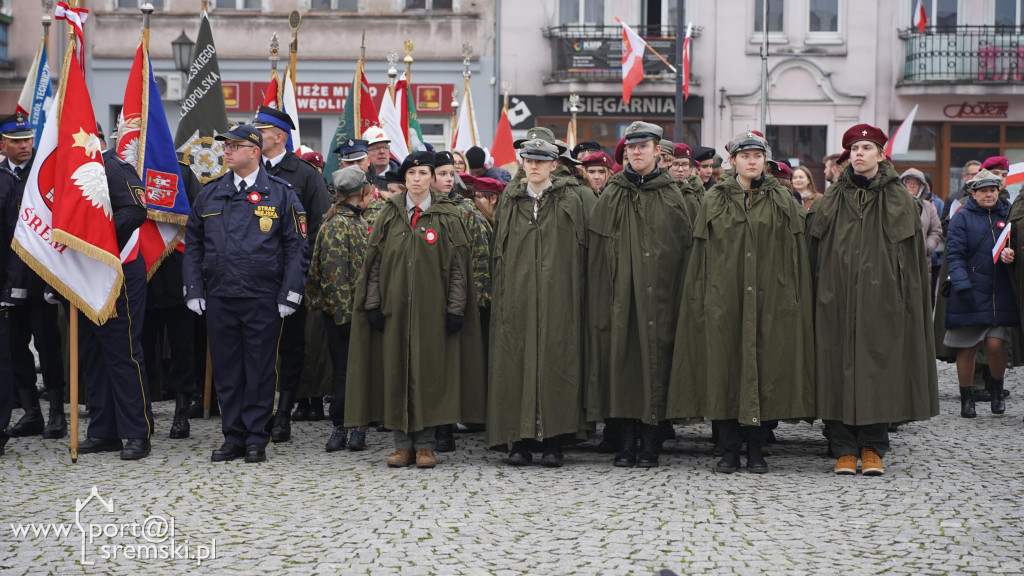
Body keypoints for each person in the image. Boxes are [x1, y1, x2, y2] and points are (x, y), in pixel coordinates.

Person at [668, 131, 814, 474]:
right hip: (724, 298)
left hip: (769, 298)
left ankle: (756, 447)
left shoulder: (781, 198)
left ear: (765, 160)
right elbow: (702, 252)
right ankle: (729, 448)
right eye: (744, 155)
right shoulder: (715, 199)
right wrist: (703, 298)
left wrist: (790, 297)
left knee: (764, 371)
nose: (751, 160)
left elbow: (794, 254)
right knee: (725, 370)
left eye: (757, 155)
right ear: (732, 161)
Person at [806, 124, 939, 476]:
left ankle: (872, 447)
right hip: (834, 299)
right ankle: (843, 447)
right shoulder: (832, 199)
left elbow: (911, 262)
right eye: (854, 149)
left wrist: (905, 302)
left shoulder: (900, 200)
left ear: (881, 154)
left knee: (878, 369)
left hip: (883, 301)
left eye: (867, 147)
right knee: (834, 367)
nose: (860, 154)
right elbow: (814, 250)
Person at [345, 151, 485, 469]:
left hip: (433, 314)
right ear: (405, 178)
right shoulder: (389, 214)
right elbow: (376, 264)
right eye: (412, 173)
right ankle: (402, 444)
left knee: (430, 377)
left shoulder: (448, 215)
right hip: (394, 313)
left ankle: (425, 445)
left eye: (424, 173)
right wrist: (372, 303)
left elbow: (458, 270)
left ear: (432, 178)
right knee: (396, 374)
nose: (418, 178)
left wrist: (455, 309)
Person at [183, 125, 310, 463]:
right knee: (227, 370)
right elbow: (193, 244)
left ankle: (256, 436)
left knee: (259, 369)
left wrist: (290, 293)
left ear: (254, 152)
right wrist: (194, 288)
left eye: (235, 146)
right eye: (226, 146)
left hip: (262, 297)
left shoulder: (281, 193)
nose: (227, 151)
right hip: (221, 295)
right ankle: (233, 435)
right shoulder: (210, 194)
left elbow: (297, 247)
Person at [586, 121, 692, 468]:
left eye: (643, 147)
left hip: (660, 297)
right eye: (631, 147)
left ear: (657, 151)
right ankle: (625, 438)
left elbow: (681, 250)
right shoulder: (614, 191)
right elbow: (599, 249)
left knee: (655, 365)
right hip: (620, 295)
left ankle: (651, 440)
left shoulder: (670, 194)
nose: (636, 152)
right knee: (623, 364)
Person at [486, 137, 588, 467]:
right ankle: (518, 440)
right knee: (516, 365)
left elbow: (580, 252)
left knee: (556, 364)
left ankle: (554, 441)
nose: (533, 166)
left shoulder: (570, 199)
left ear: (553, 165)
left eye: (540, 161)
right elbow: (499, 252)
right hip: (516, 295)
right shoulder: (510, 200)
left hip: (560, 295)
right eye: (529, 160)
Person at [251, 106, 330, 441]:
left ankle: (283, 415)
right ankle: (257, 412)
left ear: (279, 136)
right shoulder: (248, 171)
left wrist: (299, 269)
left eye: (262, 131)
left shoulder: (305, 174)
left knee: (291, 348)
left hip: (289, 277)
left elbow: (318, 224)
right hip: (252, 277)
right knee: (256, 347)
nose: (255, 136)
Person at [75, 143, 153, 460]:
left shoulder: (114, 166)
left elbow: (135, 210)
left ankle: (136, 432)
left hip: (117, 267)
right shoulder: (65, 165)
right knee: (92, 352)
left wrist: (96, 237)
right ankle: (103, 430)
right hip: (81, 271)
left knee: (123, 352)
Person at [0, 113, 67, 439]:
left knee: (48, 345)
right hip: (7, 281)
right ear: (3, 145)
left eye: (27, 139)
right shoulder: (0, 177)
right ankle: (30, 413)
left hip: (41, 277)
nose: (24, 145)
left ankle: (57, 413)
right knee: (15, 348)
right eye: (16, 141)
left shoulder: (45, 174)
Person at [306, 165, 371, 452]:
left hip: (359, 313)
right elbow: (333, 275)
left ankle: (358, 425)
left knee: (358, 372)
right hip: (345, 316)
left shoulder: (356, 221)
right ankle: (342, 424)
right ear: (361, 192)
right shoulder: (337, 224)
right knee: (346, 371)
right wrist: (346, 318)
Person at [433, 150, 492, 452]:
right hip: (428, 301)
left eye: (449, 173)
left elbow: (481, 255)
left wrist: (478, 299)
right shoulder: (420, 209)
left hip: (459, 301)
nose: (447, 179)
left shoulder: (466, 210)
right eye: (441, 173)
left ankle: (446, 426)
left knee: (454, 366)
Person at [945, 169, 1015, 418]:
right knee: (967, 347)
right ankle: (968, 397)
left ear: (999, 191)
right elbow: (954, 255)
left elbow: (1014, 244)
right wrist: (963, 283)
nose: (989, 194)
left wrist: (1011, 254)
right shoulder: (961, 218)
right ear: (973, 193)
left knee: (996, 344)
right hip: (969, 292)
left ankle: (997, 391)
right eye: (983, 190)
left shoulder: (1008, 214)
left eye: (993, 190)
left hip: (999, 293)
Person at [142, 160, 202, 440]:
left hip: (178, 272)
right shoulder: (128, 170)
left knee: (182, 349)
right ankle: (143, 412)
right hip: (142, 274)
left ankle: (181, 411)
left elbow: (197, 218)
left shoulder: (182, 172)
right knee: (141, 349)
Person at [900, 168, 942, 273]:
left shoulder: (928, 207)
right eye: (909, 182)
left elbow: (936, 230)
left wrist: (927, 247)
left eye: (916, 183)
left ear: (922, 187)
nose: (912, 186)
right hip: (898, 258)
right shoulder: (894, 205)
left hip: (921, 260)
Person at [363, 126, 401, 191]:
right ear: (366, 153)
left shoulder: (402, 177)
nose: (382, 152)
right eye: (376, 148)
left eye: (385, 147)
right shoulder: (361, 178)